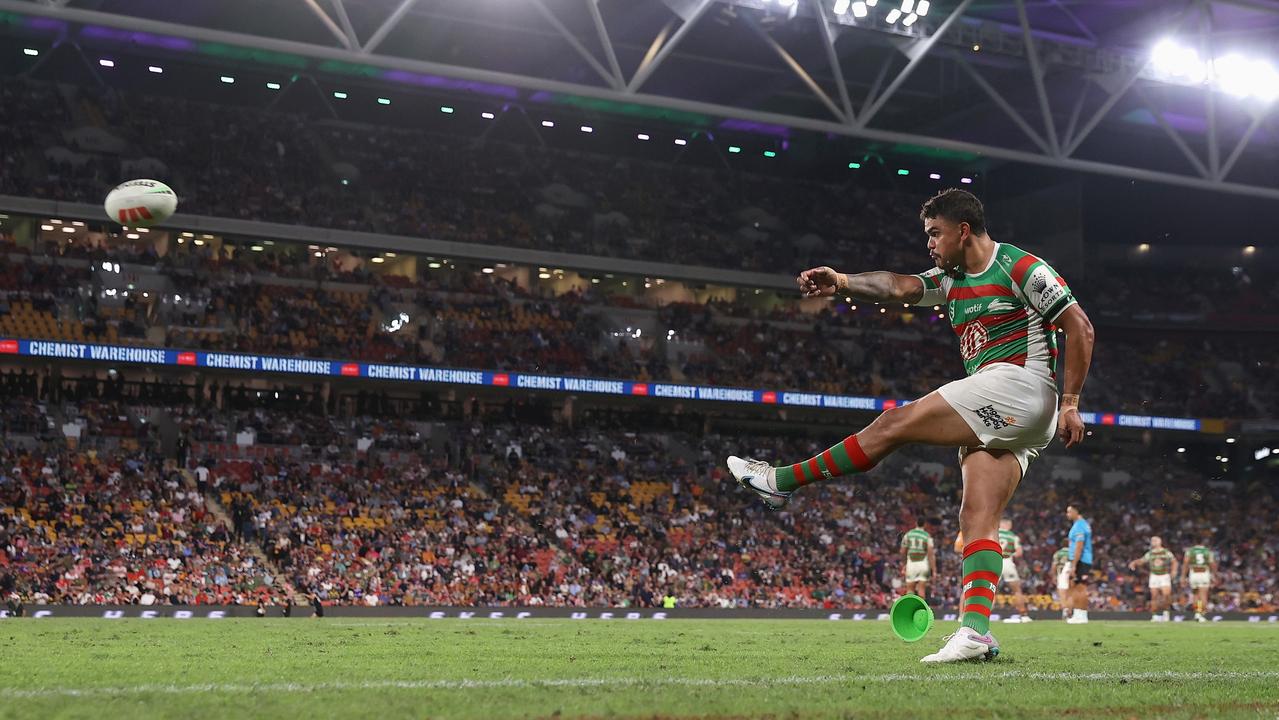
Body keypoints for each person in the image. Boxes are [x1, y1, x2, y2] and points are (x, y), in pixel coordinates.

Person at [726, 189, 1095, 663]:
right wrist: (841, 280)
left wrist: (1070, 404)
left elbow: (1079, 326)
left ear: (963, 230)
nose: (929, 244)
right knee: (978, 518)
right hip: (1012, 411)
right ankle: (975, 632)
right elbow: (897, 286)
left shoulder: (1020, 267)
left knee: (894, 423)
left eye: (934, 233)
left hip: (1020, 386)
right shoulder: (950, 279)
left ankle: (780, 481)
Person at [1128, 536, 1177, 622]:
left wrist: (1173, 571)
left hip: (1164, 575)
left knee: (1166, 596)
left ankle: (1166, 613)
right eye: (1152, 540)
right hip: (1154, 575)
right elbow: (1142, 560)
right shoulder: (1150, 553)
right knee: (1154, 596)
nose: (1153, 542)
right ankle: (1155, 615)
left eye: (1155, 540)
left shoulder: (1166, 552)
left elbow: (1174, 561)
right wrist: (1134, 562)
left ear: (1160, 542)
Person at [997, 518, 1031, 623]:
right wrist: (1011, 555)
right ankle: (1024, 615)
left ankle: (983, 616)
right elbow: (1019, 553)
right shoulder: (1013, 536)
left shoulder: (994, 532)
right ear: (1009, 525)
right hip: (1007, 561)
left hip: (994, 561)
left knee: (989, 589)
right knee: (1016, 590)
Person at [1065, 502, 1093, 624]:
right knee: (1077, 587)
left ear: (1076, 511)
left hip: (1081, 559)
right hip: (1082, 559)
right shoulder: (1083, 524)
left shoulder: (1079, 526)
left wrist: (1074, 564)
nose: (1067, 514)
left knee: (1080, 588)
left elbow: (1079, 546)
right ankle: (1079, 614)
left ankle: (1081, 616)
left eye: (1069, 511)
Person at [900, 519, 936, 600]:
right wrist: (934, 570)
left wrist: (904, 564)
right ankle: (921, 611)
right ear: (925, 525)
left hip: (911, 563)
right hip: (923, 563)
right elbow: (931, 553)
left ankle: (909, 610)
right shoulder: (927, 536)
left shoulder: (908, 534)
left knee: (910, 590)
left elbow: (902, 551)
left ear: (916, 523)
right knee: (921, 590)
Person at [1182, 542, 1217, 622]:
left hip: (1193, 573)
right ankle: (1202, 615)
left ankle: (1197, 614)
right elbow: (1212, 563)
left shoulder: (1190, 551)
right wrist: (1215, 574)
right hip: (1204, 573)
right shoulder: (1207, 551)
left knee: (1195, 595)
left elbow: (1185, 563)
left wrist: (1183, 576)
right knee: (1203, 596)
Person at [1051, 544, 1072, 620]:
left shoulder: (1058, 553)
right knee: (1070, 594)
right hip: (1071, 574)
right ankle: (1070, 613)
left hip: (1061, 573)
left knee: (1062, 594)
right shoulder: (1073, 552)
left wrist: (1053, 576)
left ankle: (1065, 611)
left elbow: (1054, 565)